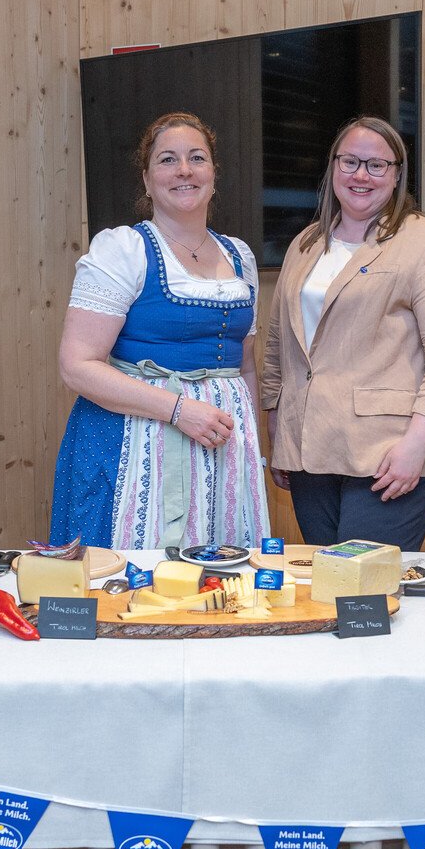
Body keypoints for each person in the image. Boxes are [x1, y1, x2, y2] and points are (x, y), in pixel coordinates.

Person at [50, 112, 270, 549]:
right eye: (168, 160)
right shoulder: (123, 250)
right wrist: (179, 409)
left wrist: (251, 449)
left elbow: (245, 366)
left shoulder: (239, 256)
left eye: (197, 158)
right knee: (133, 568)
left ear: (213, 175)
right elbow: (77, 365)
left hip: (222, 444)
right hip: (137, 439)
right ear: (147, 181)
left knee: (222, 570)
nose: (184, 170)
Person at [261, 116, 425, 550]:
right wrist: (279, 433)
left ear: (397, 175)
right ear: (333, 167)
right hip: (309, 450)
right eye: (350, 162)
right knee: (327, 578)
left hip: (390, 453)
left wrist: (415, 447)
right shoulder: (306, 243)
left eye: (377, 165)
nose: (361, 175)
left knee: (363, 582)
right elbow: (277, 346)